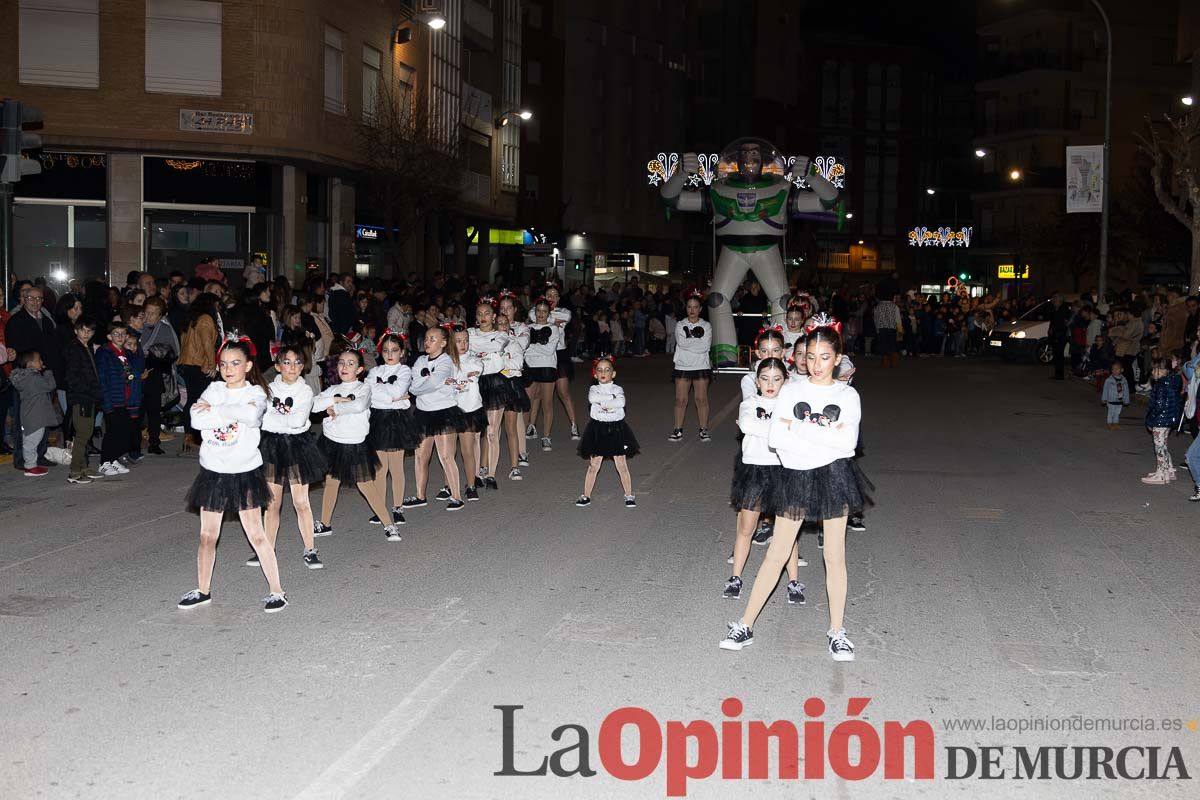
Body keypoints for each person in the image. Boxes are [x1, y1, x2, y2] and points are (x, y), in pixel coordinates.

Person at [721, 317, 871, 660]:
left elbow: (847, 444)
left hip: (834, 476)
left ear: (838, 358)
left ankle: (837, 632)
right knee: (776, 553)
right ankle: (745, 624)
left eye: (825, 357)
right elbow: (776, 438)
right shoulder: (791, 390)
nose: (816, 365)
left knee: (835, 557)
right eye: (812, 357)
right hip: (795, 474)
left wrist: (798, 428)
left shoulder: (847, 395)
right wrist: (821, 434)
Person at [177, 336, 287, 614]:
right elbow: (195, 418)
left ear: (248, 365)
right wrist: (227, 413)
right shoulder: (213, 389)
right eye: (224, 363)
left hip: (244, 472)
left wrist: (216, 412)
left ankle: (277, 591)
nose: (228, 368)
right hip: (213, 472)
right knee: (206, 536)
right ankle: (203, 590)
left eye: (235, 363)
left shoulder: (256, 394)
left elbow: (251, 417)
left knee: (257, 534)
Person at [724, 358, 804, 604]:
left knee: (786, 532)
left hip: (783, 470)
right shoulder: (750, 403)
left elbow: (797, 431)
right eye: (765, 378)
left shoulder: (791, 406)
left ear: (786, 381)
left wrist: (773, 427)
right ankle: (735, 577)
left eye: (777, 378)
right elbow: (747, 424)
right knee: (746, 528)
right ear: (757, 381)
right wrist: (779, 427)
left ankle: (793, 581)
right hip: (755, 471)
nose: (770, 384)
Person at [254, 344, 327, 570]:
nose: (292, 366)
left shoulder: (305, 391)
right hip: (273, 446)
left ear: (303, 367)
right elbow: (262, 420)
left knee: (300, 501)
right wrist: (280, 420)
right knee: (272, 503)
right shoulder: (268, 389)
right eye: (287, 362)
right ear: (277, 366)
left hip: (297, 445)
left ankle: (309, 549)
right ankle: (266, 550)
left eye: (297, 362)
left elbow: (297, 422)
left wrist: (277, 419)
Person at [311, 348, 398, 539]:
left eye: (351, 363)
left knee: (366, 484)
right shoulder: (333, 389)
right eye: (341, 362)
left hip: (355, 443)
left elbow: (358, 405)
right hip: (332, 441)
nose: (344, 366)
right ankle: (325, 524)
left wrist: (335, 407)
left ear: (359, 369)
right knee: (331, 483)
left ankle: (389, 524)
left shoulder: (363, 388)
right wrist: (334, 399)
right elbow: (314, 404)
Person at [404, 326, 465, 511]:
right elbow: (413, 383)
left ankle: (457, 496)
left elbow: (429, 383)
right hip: (423, 412)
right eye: (427, 338)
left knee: (446, 456)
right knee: (421, 455)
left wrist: (419, 387)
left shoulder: (446, 362)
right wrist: (420, 386)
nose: (427, 342)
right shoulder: (420, 360)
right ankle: (420, 495)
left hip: (443, 411)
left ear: (443, 343)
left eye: (432, 339)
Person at [365, 331, 420, 525]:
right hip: (378, 419)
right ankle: (380, 509)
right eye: (386, 350)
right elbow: (367, 392)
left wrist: (384, 392)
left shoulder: (405, 371)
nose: (390, 354)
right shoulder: (374, 371)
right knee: (380, 469)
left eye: (394, 350)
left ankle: (397, 508)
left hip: (397, 420)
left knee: (396, 468)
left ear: (402, 352)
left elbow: (398, 390)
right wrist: (391, 396)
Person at [574, 355, 639, 507]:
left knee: (621, 465)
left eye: (607, 369)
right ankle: (586, 495)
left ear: (613, 374)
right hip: (598, 429)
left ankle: (629, 495)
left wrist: (603, 399)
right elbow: (592, 399)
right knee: (594, 465)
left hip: (617, 428)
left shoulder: (618, 389)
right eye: (600, 370)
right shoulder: (593, 389)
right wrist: (611, 399)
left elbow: (621, 402)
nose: (603, 372)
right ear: (595, 374)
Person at [470, 299, 519, 490]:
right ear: (476, 317)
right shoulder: (470, 334)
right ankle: (474, 474)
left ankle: (491, 474)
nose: (483, 317)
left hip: (495, 383)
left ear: (493, 316)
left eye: (487, 313)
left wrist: (483, 355)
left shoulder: (501, 336)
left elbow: (496, 351)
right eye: (480, 314)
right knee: (474, 434)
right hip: (474, 384)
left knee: (492, 432)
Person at [527, 286, 580, 442]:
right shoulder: (534, 311)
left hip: (560, 353)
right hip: (541, 355)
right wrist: (552, 319)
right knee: (537, 394)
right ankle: (532, 425)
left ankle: (574, 425)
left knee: (563, 391)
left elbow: (564, 318)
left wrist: (548, 317)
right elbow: (533, 315)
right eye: (548, 294)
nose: (551, 297)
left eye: (554, 295)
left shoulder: (565, 312)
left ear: (558, 298)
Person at [95, 321, 144, 475]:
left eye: (123, 333)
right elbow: (102, 379)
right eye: (116, 333)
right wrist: (106, 402)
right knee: (114, 432)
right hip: (114, 399)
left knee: (127, 433)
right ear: (110, 336)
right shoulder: (105, 353)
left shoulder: (126, 353)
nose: (120, 337)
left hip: (128, 399)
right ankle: (104, 462)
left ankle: (113, 459)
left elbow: (139, 369)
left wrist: (135, 353)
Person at [177, 293, 221, 453]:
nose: (218, 308)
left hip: (188, 364)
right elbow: (207, 344)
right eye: (216, 305)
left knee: (193, 400)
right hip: (199, 364)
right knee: (200, 402)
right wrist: (211, 365)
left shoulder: (191, 319)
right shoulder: (205, 319)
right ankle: (194, 436)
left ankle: (190, 436)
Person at [63, 317, 103, 484]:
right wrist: (86, 391)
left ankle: (83, 467)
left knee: (86, 433)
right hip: (82, 397)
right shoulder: (74, 348)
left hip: (89, 396)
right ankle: (74, 471)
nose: (86, 334)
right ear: (76, 330)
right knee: (82, 434)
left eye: (90, 331)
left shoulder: (86, 347)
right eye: (83, 330)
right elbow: (71, 376)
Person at [10, 350, 60, 477]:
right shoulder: (34, 378)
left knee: (30, 440)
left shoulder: (25, 377)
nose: (42, 362)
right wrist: (48, 373)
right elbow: (50, 385)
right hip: (35, 416)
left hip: (29, 415)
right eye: (39, 360)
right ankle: (30, 466)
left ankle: (31, 464)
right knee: (32, 442)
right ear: (30, 364)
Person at [670, 292, 713, 442]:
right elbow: (681, 343)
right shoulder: (680, 325)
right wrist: (696, 344)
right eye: (689, 307)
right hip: (683, 366)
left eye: (695, 307)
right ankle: (677, 430)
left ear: (700, 309)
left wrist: (693, 344)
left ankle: (703, 429)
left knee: (701, 399)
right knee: (680, 400)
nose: (692, 310)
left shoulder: (706, 326)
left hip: (701, 365)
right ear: (686, 308)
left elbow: (705, 346)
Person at [139, 297, 179, 454]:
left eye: (153, 313)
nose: (149, 316)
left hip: (155, 375)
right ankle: (136, 439)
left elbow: (172, 354)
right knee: (137, 409)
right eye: (147, 312)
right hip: (136, 374)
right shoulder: (137, 325)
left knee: (154, 410)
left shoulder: (165, 329)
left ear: (160, 315)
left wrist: (153, 358)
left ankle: (154, 441)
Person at [452, 326, 486, 502]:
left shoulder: (474, 360)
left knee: (467, 449)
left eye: (466, 340)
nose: (463, 344)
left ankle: (471, 485)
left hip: (468, 410)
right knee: (448, 452)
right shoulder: (446, 362)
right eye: (458, 341)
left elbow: (476, 369)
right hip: (449, 410)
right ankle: (449, 485)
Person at [496, 309, 530, 480]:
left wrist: (499, 360)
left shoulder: (514, 343)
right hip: (492, 387)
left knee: (511, 427)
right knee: (491, 430)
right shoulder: (488, 342)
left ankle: (515, 466)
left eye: (505, 323)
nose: (503, 326)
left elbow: (517, 363)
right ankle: (485, 469)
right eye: (499, 323)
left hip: (509, 385)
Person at [525, 299, 564, 452]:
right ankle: (527, 429)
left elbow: (549, 350)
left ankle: (546, 436)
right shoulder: (527, 328)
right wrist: (534, 347)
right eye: (538, 311)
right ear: (534, 313)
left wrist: (532, 347)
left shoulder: (554, 329)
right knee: (528, 402)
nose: (541, 314)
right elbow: (524, 349)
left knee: (547, 403)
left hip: (547, 367)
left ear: (549, 313)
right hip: (530, 368)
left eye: (544, 311)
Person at [1141, 357, 1182, 485]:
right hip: (1168, 419)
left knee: (1159, 447)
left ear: (1164, 370)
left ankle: (1161, 474)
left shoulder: (1161, 385)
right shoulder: (1172, 382)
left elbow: (1158, 405)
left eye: (1155, 369)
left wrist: (1149, 420)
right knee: (1163, 445)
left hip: (1160, 420)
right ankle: (1168, 470)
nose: (1152, 372)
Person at [1101, 361, 1130, 430]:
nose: (1115, 370)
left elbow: (1126, 391)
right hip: (1111, 400)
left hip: (1120, 400)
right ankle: (1109, 424)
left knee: (1117, 413)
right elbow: (1105, 390)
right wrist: (1104, 399)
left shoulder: (1124, 380)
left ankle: (1115, 424)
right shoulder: (1109, 380)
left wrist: (1126, 400)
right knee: (1111, 412)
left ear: (1122, 370)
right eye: (1113, 369)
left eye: (1117, 369)